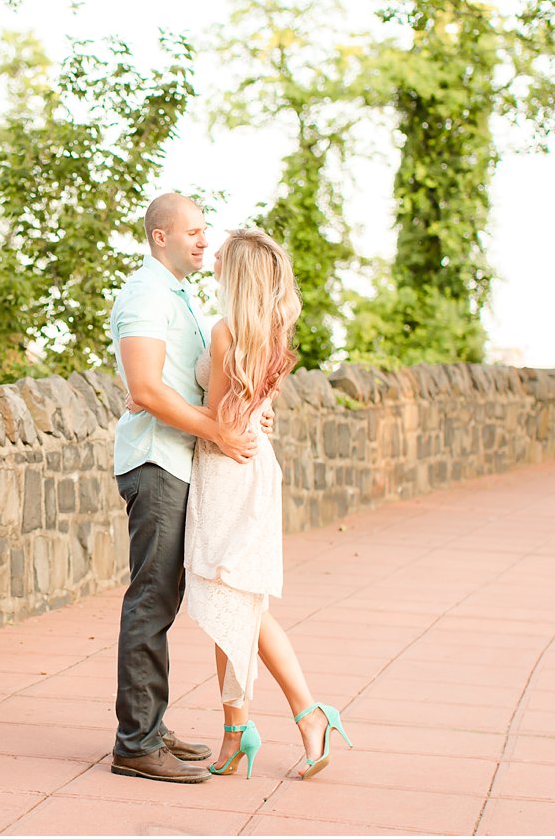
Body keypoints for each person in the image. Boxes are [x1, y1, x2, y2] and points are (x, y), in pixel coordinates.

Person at [107, 192, 273, 784]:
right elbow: (148, 391)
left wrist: (245, 417)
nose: (205, 241)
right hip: (156, 463)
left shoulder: (177, 296)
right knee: (152, 598)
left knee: (165, 598)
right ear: (160, 237)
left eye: (206, 232)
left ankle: (149, 725)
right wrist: (222, 433)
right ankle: (136, 743)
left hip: (177, 460)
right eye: (194, 232)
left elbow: (179, 384)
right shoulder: (149, 293)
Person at [176, 227, 352, 781]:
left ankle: (292, 717)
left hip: (226, 469)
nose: (215, 264)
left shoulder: (227, 333)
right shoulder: (271, 333)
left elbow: (220, 422)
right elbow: (251, 409)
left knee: (235, 601)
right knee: (238, 605)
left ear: (239, 275)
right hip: (253, 466)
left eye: (224, 260)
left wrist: (153, 403)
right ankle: (252, 727)